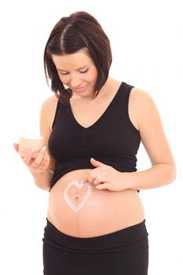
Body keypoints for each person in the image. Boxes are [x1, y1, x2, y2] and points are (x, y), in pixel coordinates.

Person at [14, 10, 176, 275]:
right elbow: (48, 183)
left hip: (120, 247)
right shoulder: (50, 107)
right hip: (59, 246)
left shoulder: (136, 101)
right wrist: (36, 167)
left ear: (101, 57)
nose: (74, 81)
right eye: (63, 72)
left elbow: (167, 169)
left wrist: (123, 180)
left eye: (82, 69)